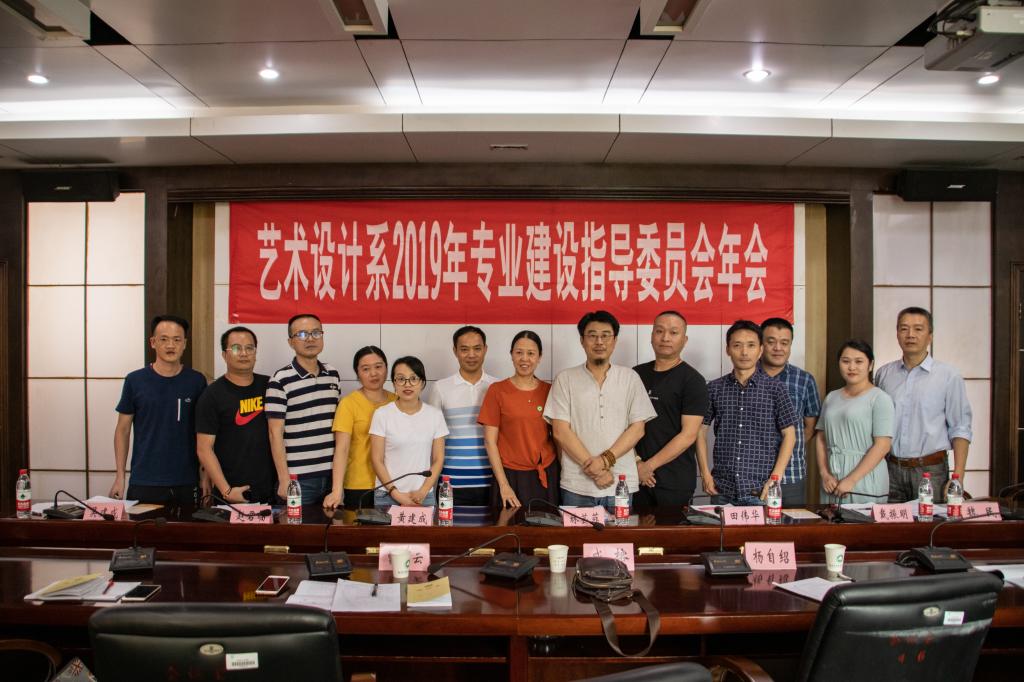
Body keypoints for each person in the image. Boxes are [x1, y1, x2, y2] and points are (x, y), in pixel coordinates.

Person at [544, 310, 657, 514]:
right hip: (576, 485)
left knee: (620, 535)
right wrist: (596, 470)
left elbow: (638, 429)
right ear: (582, 340)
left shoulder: (630, 378)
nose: (599, 342)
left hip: (621, 483)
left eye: (605, 335)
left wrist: (604, 461)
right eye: (592, 335)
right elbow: (560, 431)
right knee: (577, 535)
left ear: (614, 341)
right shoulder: (565, 379)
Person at [876, 306, 972, 503]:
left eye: (918, 329)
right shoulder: (884, 374)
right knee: (889, 522)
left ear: (930, 336)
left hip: (930, 471)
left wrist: (958, 476)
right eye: (904, 328)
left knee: (930, 521)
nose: (910, 334)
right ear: (897, 334)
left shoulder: (948, 376)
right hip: (889, 468)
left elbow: (960, 427)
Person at [697, 320, 798, 506]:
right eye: (737, 345)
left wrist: (775, 479)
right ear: (728, 349)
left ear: (760, 350)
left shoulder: (776, 389)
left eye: (751, 345)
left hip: (760, 490)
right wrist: (705, 473)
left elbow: (789, 435)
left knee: (762, 528)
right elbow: (700, 431)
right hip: (721, 487)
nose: (744, 352)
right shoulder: (714, 388)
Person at [110, 315, 207, 504]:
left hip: (187, 479)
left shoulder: (197, 381)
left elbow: (204, 432)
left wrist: (205, 476)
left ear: (185, 344)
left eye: (177, 340)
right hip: (145, 479)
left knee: (189, 523)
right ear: (153, 342)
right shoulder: (135, 380)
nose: (171, 345)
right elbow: (122, 430)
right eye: (164, 339)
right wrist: (120, 476)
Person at [632, 311, 708, 509]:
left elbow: (688, 435)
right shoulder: (635, 374)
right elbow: (623, 425)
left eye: (673, 332)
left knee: (671, 529)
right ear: (652, 336)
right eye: (659, 331)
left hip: (674, 481)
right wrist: (638, 463)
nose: (665, 338)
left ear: (685, 340)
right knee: (633, 527)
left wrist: (648, 466)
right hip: (634, 477)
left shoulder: (693, 380)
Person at [265, 313, 342, 506]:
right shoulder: (280, 380)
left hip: (332, 476)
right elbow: (275, 433)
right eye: (301, 334)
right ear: (291, 342)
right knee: (296, 525)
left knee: (330, 524)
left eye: (316, 333)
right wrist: (284, 478)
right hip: (298, 479)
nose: (310, 339)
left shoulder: (332, 374)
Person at [479, 330, 559, 509]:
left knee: (546, 526)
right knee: (508, 525)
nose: (524, 359)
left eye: (531, 353)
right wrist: (504, 485)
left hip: (545, 474)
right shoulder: (497, 391)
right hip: (509, 476)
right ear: (511, 355)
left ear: (539, 357)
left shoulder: (550, 391)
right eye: (519, 352)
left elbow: (559, 436)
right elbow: (490, 442)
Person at [195, 327, 276, 504]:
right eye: (236, 348)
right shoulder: (212, 395)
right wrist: (227, 491)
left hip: (271, 490)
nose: (244, 353)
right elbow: (204, 448)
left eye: (249, 348)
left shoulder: (271, 386)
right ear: (224, 355)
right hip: (232, 493)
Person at [816, 340, 895, 504]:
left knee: (862, 519)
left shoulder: (880, 398)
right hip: (832, 479)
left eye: (859, 361)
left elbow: (882, 445)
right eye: (846, 361)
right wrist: (824, 474)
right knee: (830, 519)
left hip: (864, 477)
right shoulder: (831, 397)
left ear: (870, 365)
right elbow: (821, 438)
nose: (851, 367)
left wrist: (851, 479)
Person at [425, 326, 497, 506]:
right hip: (450, 482)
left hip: (492, 481)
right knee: (449, 525)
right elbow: (432, 439)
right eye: (464, 349)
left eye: (477, 348)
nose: (471, 355)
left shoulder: (497, 387)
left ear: (485, 349)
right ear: (455, 351)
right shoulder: (441, 388)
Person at [323, 346, 396, 510]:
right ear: (357, 374)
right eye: (366, 369)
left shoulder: (397, 401)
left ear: (386, 368)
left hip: (392, 483)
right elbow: (342, 449)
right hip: (359, 485)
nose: (374, 373)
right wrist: (336, 490)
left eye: (378, 366)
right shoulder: (348, 404)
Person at [759, 317, 822, 506]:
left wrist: (789, 447)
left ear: (790, 345)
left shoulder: (804, 380)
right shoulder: (748, 375)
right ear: (761, 344)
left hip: (791, 474)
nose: (778, 348)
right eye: (771, 342)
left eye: (784, 343)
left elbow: (809, 427)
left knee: (792, 523)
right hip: (752, 474)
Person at [369, 356, 448, 506]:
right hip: (387, 494)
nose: (407, 384)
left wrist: (423, 491)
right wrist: (395, 494)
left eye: (413, 379)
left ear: (422, 383)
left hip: (423, 495)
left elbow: (438, 459)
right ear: (394, 383)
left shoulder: (435, 415)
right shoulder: (382, 414)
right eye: (401, 379)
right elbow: (376, 459)